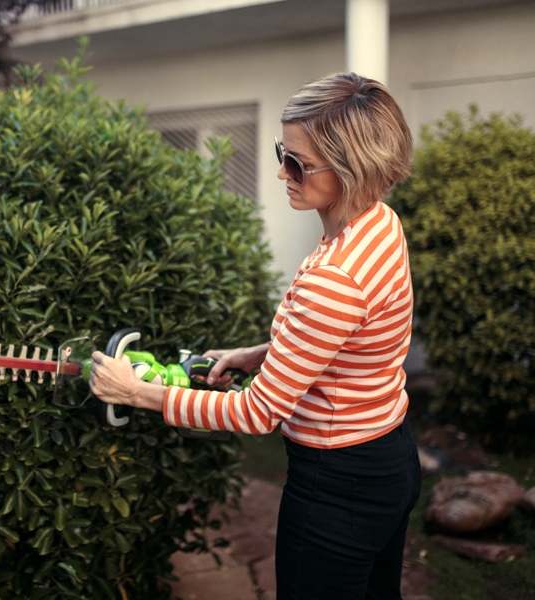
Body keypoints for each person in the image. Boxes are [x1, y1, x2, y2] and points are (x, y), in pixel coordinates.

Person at [88, 72, 423, 600]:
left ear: (351, 167)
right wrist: (259, 352)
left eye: (296, 163)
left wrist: (136, 393)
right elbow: (351, 337)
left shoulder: (335, 278)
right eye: (281, 152)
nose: (280, 172)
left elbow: (256, 413)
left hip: (338, 487)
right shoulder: (379, 224)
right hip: (388, 456)